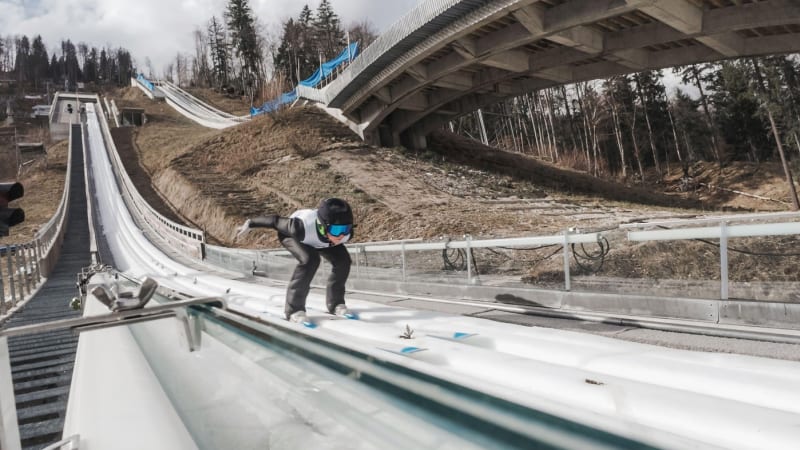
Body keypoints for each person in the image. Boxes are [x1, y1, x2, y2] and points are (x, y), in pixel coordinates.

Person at [236, 198, 355, 323]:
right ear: (322, 226)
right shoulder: (299, 226)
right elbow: (274, 221)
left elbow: (340, 233)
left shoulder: (344, 235)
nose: (342, 235)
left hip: (324, 241)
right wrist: (250, 223)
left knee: (343, 261)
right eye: (336, 230)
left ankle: (336, 304)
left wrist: (338, 232)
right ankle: (294, 310)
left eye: (346, 229)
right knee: (310, 260)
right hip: (293, 237)